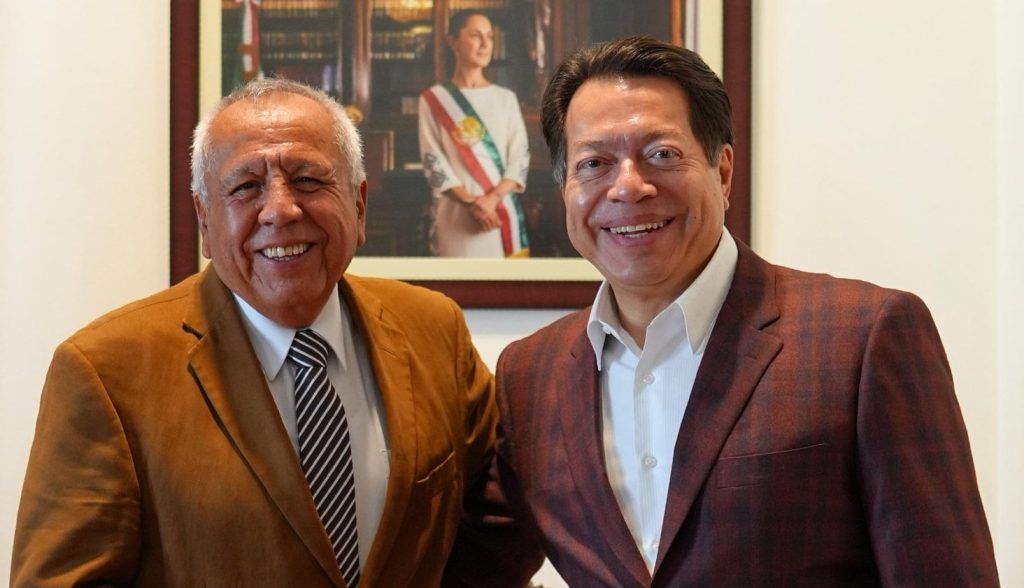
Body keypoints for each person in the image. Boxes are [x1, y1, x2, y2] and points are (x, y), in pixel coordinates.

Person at [444, 36, 1000, 586]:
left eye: (662, 154)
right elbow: (474, 568)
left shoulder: (864, 337)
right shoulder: (530, 373)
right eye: (594, 163)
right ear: (565, 188)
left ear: (724, 171)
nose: (628, 187)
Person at [12, 78, 498, 587]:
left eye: (308, 179)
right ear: (204, 219)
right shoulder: (105, 373)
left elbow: (492, 526)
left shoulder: (434, 328)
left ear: (358, 205)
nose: (281, 209)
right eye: (246, 187)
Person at [418, 10, 531, 258]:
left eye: (489, 36)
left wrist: (492, 200)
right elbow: (433, 159)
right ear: (453, 42)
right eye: (475, 35)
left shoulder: (506, 99)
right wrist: (471, 202)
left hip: (499, 212)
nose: (485, 44)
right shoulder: (434, 99)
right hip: (457, 215)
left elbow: (520, 157)